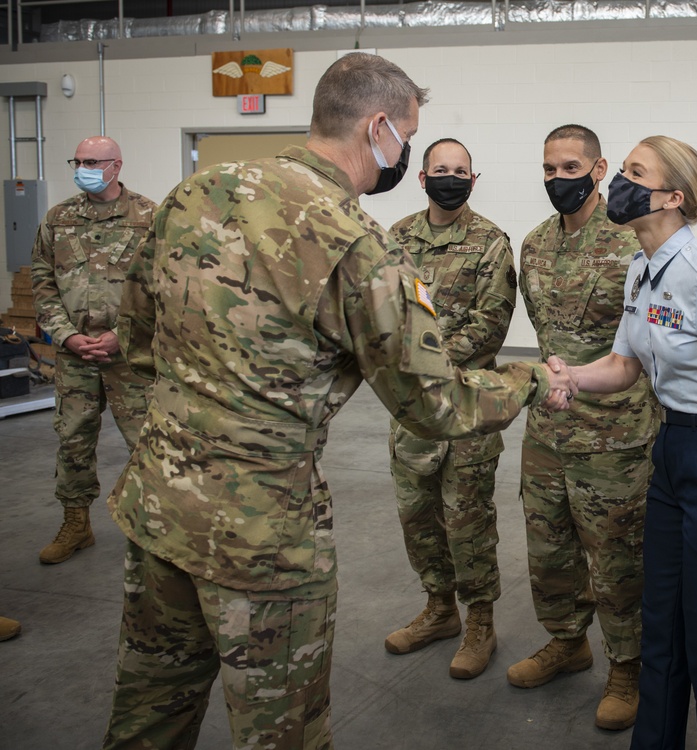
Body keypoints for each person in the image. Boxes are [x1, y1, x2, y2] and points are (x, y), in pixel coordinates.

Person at [100, 52, 575, 750]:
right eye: (408, 136)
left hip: (156, 510)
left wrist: (169, 444)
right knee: (280, 734)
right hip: (262, 537)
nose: (409, 153)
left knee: (146, 718)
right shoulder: (353, 242)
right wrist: (534, 380)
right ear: (379, 128)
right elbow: (433, 405)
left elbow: (135, 340)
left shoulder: (197, 190)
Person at [560, 135, 697, 749]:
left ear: (671, 198)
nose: (619, 183)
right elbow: (625, 366)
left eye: (635, 173)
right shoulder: (641, 269)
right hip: (672, 452)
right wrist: (573, 377)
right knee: (660, 626)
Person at [508, 124, 657, 731]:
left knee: (617, 556)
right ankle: (568, 641)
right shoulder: (535, 244)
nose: (557, 179)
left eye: (571, 168)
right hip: (549, 429)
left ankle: (628, 666)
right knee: (548, 549)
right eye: (549, 169)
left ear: (599, 171)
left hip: (615, 438)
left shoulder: (632, 246)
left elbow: (645, 348)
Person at [384, 138, 516, 680]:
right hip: (412, 414)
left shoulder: (490, 242)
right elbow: (381, 308)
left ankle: (479, 621)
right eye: (441, 170)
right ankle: (439, 609)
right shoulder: (396, 239)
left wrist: (419, 355)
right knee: (418, 519)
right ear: (422, 178)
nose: (451, 177)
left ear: (473, 179)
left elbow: (491, 324)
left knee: (468, 523)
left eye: (460, 171)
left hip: (466, 408)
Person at [30, 136, 156, 565]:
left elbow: (160, 288)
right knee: (72, 440)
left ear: (116, 165)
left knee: (147, 443)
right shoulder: (58, 219)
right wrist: (64, 335)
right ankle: (75, 524)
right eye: (78, 160)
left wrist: (123, 334)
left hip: (130, 357)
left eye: (91, 161)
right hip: (74, 354)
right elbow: (42, 282)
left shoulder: (148, 217)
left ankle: (152, 529)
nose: (82, 167)